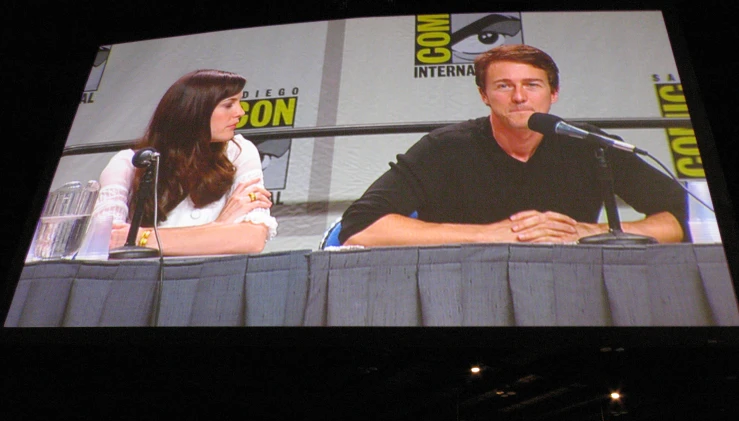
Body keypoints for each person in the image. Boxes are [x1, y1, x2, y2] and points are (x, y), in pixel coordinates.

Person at [340, 44, 687, 247]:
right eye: (504, 86)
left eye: (532, 85)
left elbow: (678, 220)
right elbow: (359, 228)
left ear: (554, 94)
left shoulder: (589, 144)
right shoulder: (443, 148)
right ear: (484, 95)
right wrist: (490, 235)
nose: (520, 97)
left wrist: (588, 232)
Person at [94, 69, 277, 256]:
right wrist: (219, 226)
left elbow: (251, 239)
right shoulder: (129, 163)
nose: (241, 112)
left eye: (239, 102)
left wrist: (141, 237)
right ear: (195, 110)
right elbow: (105, 241)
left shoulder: (239, 151)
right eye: (229, 105)